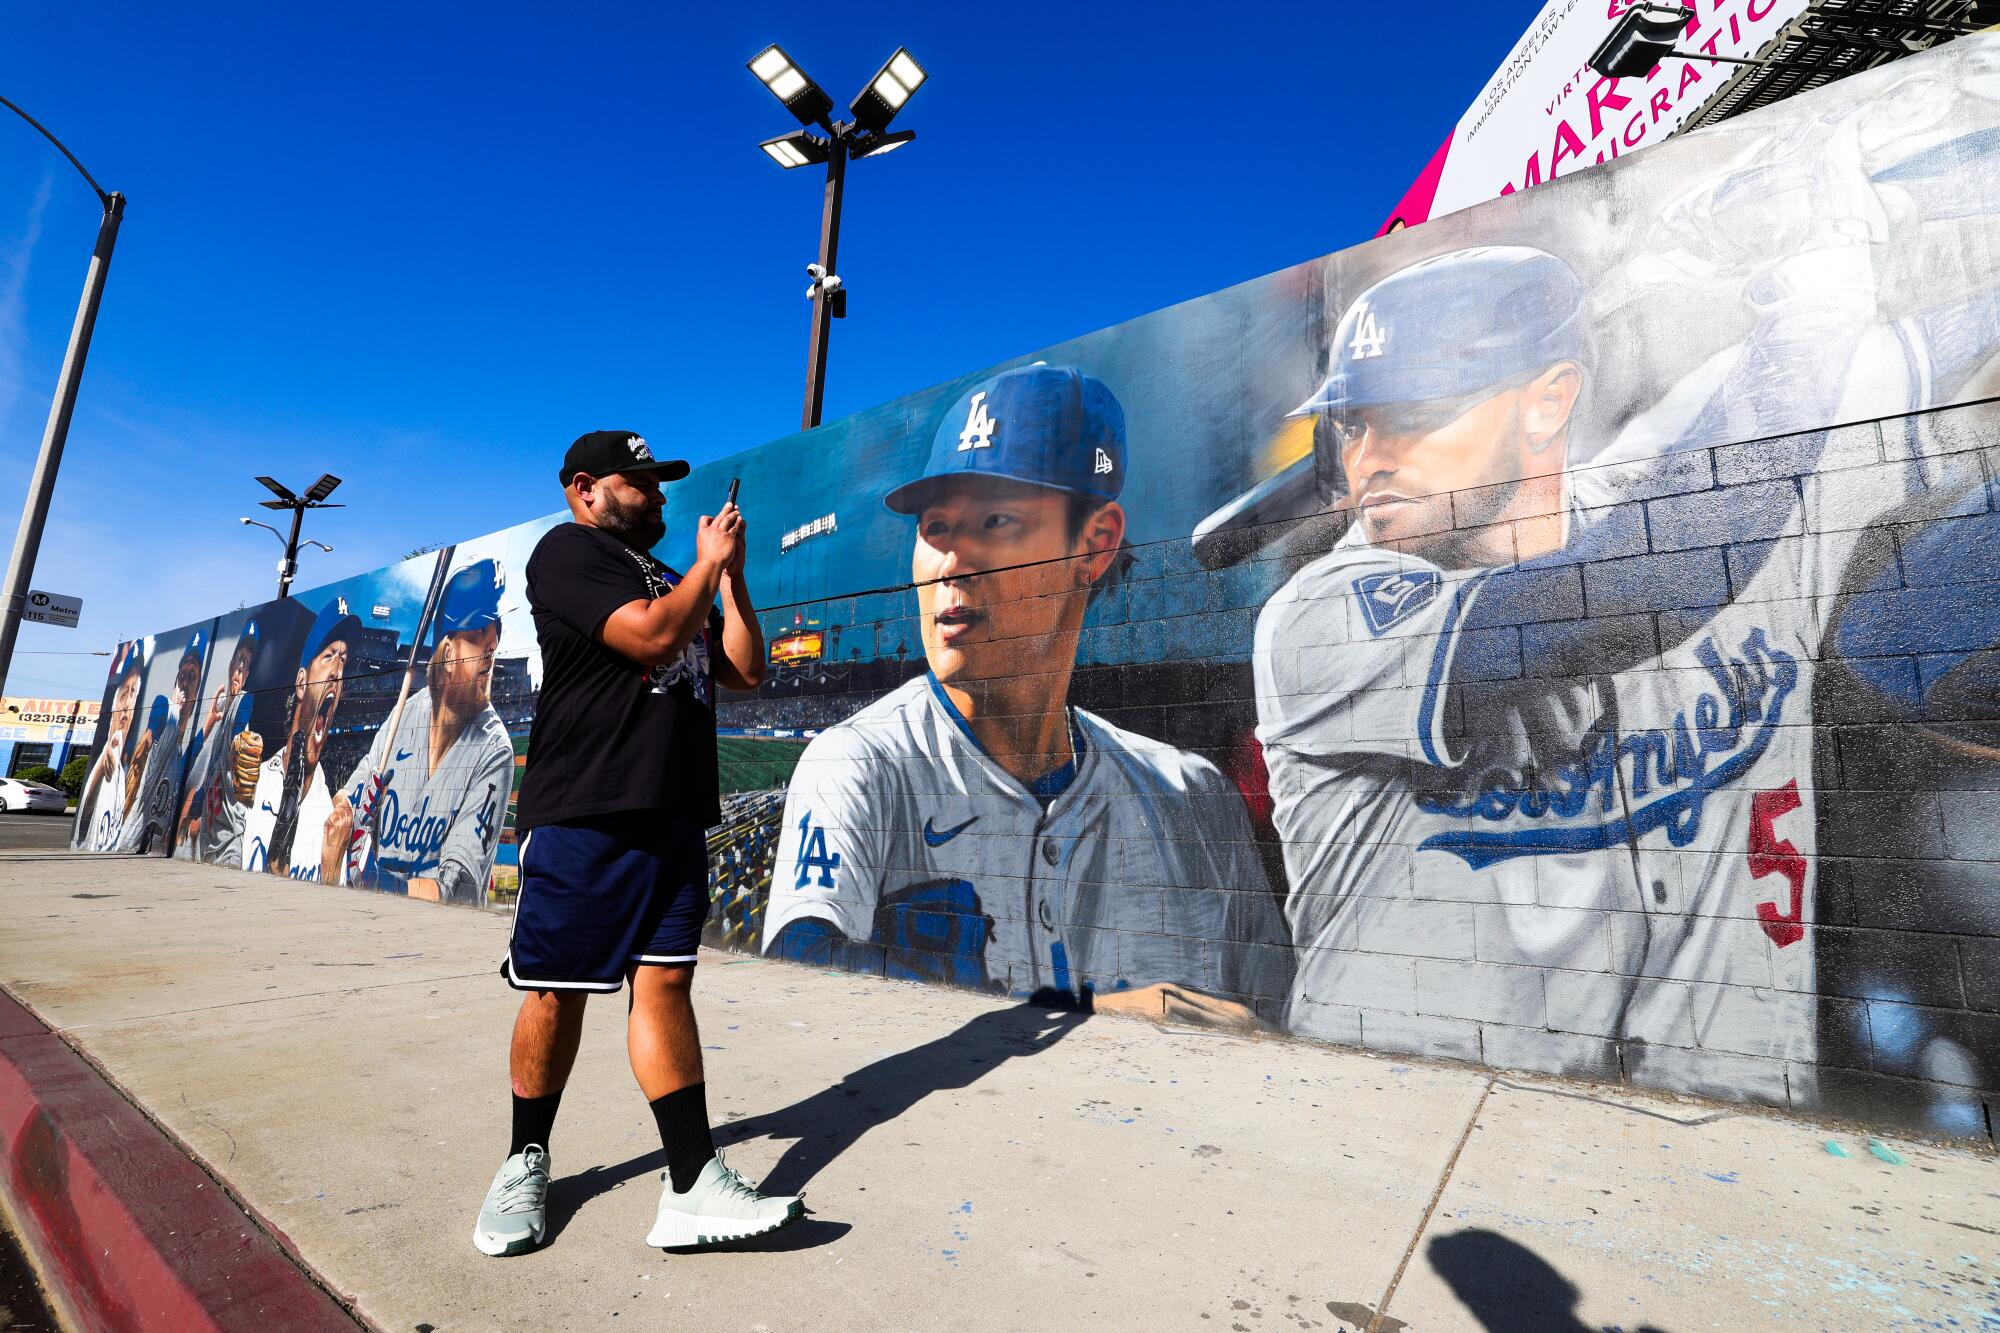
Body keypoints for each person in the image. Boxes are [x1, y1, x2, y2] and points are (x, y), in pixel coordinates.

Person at [1252, 239, 1998, 1101]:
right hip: (1410, 1138)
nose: (1368, 456)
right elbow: (1640, 588)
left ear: (1547, 403)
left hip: (1731, 1143)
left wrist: (1865, 229)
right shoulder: (1319, 620)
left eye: (1412, 413)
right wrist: (1812, 324)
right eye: (1355, 422)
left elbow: (1942, 343)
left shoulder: (1690, 489)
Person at [762, 365, 1291, 1027]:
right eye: (936, 527)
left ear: (1094, 544)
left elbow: (1281, 1021)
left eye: (997, 520)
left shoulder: (1194, 797)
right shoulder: (861, 764)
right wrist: (1090, 1014)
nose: (953, 561)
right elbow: (798, 967)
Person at [475, 429, 789, 1259]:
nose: (656, 495)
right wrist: (702, 570)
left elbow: (745, 670)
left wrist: (733, 577)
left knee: (665, 991)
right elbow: (651, 638)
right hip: (590, 812)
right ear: (585, 487)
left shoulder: (667, 575)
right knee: (554, 992)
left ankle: (692, 1181)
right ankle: (523, 1160)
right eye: (639, 482)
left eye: (659, 484)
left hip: (674, 812)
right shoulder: (567, 553)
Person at [335, 558, 515, 904]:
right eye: (479, 635)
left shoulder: (494, 750)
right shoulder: (405, 714)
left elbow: (459, 885)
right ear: (448, 653)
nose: (491, 647)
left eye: (494, 635)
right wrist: (347, 815)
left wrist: (379, 882)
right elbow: (347, 797)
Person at [243, 600, 362, 882]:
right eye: (329, 656)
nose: (337, 671)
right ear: (301, 682)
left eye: (343, 660)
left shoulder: (331, 818)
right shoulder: (254, 783)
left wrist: (332, 870)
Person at [175, 620, 262, 866]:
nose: (241, 667)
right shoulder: (222, 718)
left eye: (248, 663)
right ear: (231, 662)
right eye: (240, 658)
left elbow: (239, 730)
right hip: (208, 837)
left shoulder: (243, 703)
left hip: (228, 838)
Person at [124, 629, 206, 854]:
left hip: (159, 835)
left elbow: (191, 753)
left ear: (198, 690)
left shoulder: (183, 745)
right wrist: (177, 715)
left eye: (193, 676)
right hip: (136, 826)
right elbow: (147, 746)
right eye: (183, 672)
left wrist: (210, 722)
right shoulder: (164, 706)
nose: (185, 681)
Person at [75, 642, 145, 852]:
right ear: (114, 702)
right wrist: (98, 771)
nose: (127, 704)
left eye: (133, 693)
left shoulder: (132, 762)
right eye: (124, 692)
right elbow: (81, 829)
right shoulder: (104, 758)